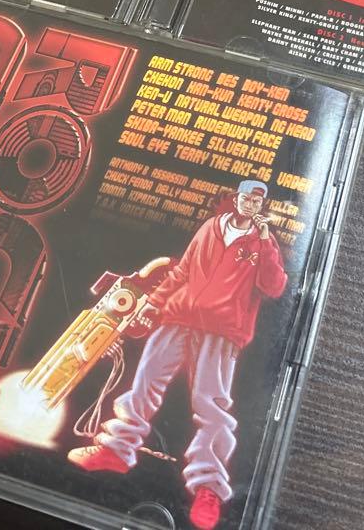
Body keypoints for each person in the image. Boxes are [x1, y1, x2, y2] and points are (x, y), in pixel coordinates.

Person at [68, 178, 288, 530]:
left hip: (221, 330)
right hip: (178, 316)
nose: (250, 205)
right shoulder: (210, 227)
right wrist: (154, 303)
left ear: (262, 206)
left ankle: (208, 488)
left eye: (257, 201)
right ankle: (115, 450)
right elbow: (183, 270)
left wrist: (264, 242)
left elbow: (274, 286)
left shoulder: (263, 242)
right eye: (246, 198)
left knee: (211, 404)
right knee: (143, 385)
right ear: (237, 199)